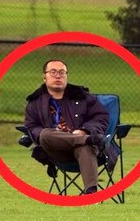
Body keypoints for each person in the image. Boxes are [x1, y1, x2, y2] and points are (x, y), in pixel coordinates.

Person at [24, 59, 110, 195]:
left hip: (82, 148)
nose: (58, 76)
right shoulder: (35, 103)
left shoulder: (83, 97)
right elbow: (31, 126)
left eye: (62, 72)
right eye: (53, 72)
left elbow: (101, 117)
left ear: (66, 76)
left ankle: (91, 194)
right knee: (45, 134)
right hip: (56, 149)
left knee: (85, 146)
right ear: (44, 77)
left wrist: (84, 130)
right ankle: (89, 139)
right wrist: (87, 136)